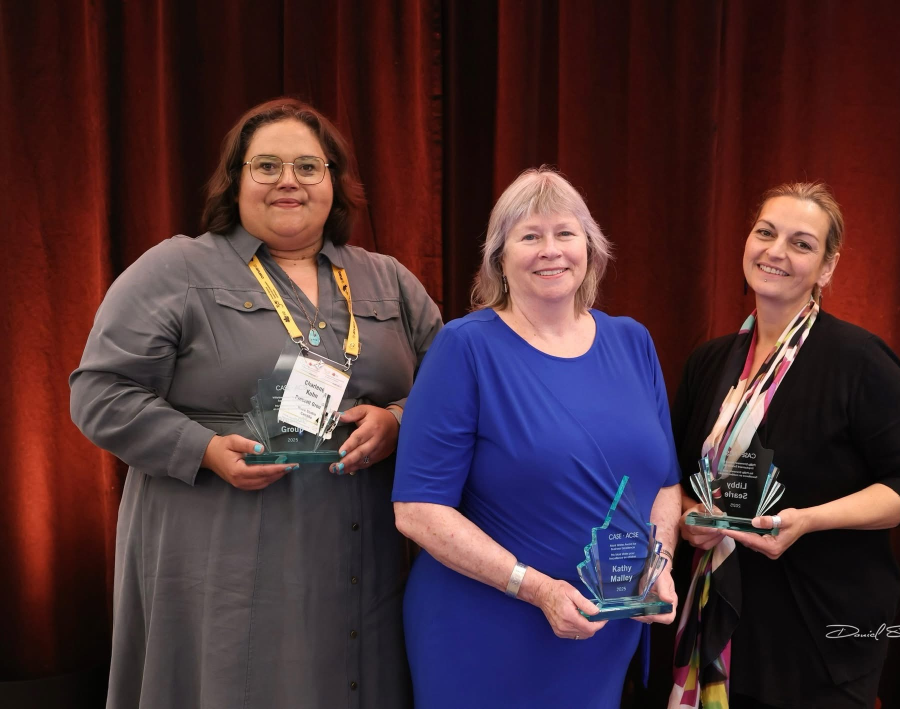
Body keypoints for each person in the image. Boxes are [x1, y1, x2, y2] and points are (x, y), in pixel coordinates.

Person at [69, 98, 442, 709]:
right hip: (219, 544)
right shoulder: (175, 269)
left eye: (308, 166)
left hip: (362, 553)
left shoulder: (388, 279)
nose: (288, 180)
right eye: (266, 166)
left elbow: (451, 391)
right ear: (235, 180)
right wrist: (204, 449)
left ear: (334, 182)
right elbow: (100, 392)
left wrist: (399, 419)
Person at [391, 167, 683, 708]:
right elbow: (417, 511)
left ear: (590, 249)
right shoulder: (464, 348)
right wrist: (537, 588)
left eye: (565, 233)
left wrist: (656, 564)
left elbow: (665, 483)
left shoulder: (632, 341)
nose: (551, 250)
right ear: (499, 258)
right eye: (529, 236)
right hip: (487, 631)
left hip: (601, 632)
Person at [666, 183, 900, 708]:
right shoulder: (709, 362)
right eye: (765, 233)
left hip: (819, 635)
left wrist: (809, 520)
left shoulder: (858, 360)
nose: (775, 252)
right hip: (715, 621)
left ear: (827, 267)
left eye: (801, 243)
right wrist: (687, 516)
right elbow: (674, 476)